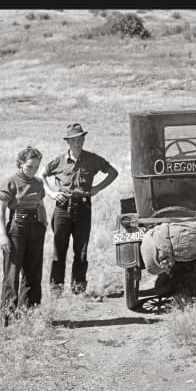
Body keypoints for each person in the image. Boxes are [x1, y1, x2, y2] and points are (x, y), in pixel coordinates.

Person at [39, 122, 118, 295]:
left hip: (83, 208)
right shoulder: (59, 161)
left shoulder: (92, 159)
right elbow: (41, 175)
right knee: (59, 250)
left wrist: (97, 188)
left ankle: (78, 288)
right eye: (74, 139)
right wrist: (52, 193)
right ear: (68, 142)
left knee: (81, 251)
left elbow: (113, 172)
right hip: (62, 209)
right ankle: (56, 289)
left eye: (81, 138)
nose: (78, 142)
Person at [0, 146, 48, 326]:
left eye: (36, 167)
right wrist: (3, 235)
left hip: (36, 227)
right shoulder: (10, 181)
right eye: (29, 167)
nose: (32, 170)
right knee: (12, 272)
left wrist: (44, 224)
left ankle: (29, 312)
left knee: (33, 270)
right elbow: (1, 211)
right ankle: (8, 317)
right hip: (16, 228)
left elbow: (40, 205)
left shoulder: (38, 183)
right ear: (20, 164)